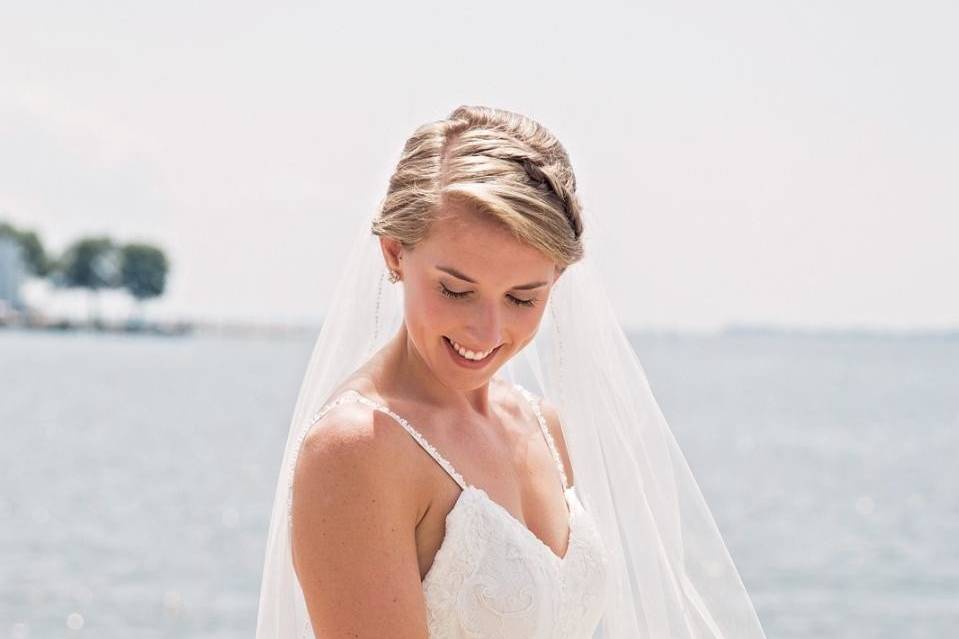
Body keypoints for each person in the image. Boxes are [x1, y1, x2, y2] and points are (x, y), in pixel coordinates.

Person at [256, 105, 767, 638]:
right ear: (394, 254)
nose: (486, 331)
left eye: (524, 298)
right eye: (456, 290)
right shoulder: (358, 448)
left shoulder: (544, 426)